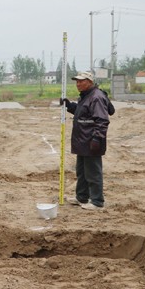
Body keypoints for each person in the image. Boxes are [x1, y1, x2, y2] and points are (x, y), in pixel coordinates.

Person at [60, 70, 111, 211]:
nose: (78, 84)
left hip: (91, 140)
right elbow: (83, 113)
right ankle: (81, 196)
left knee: (93, 172)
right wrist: (70, 106)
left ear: (89, 81)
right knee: (81, 171)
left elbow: (102, 120)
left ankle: (97, 201)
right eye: (76, 81)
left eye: (81, 81)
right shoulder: (85, 96)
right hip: (82, 140)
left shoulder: (96, 97)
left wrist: (97, 138)